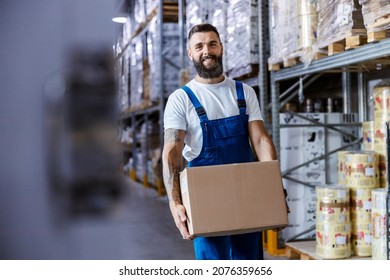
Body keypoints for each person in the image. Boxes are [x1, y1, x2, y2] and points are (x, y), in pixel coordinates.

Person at [162, 23, 286, 260]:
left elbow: (260, 141)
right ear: (190, 53)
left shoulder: (244, 92)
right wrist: (174, 202)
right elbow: (172, 153)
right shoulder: (181, 99)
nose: (206, 50)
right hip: (204, 202)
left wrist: (274, 193)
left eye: (212, 44)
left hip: (246, 196)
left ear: (221, 47)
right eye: (199, 46)